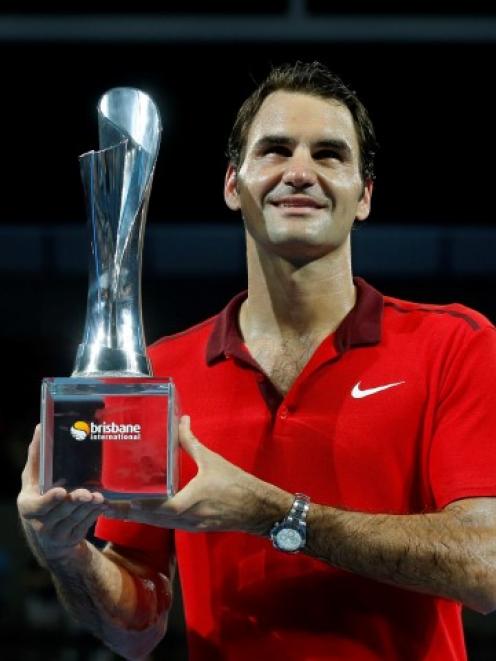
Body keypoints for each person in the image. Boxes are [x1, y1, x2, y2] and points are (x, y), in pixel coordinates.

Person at [18, 61, 496, 661]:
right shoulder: (159, 372)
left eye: (328, 154)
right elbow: (136, 627)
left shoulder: (454, 344)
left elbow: (487, 565)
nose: (300, 171)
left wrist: (275, 515)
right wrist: (68, 554)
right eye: (274, 150)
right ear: (231, 184)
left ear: (364, 195)